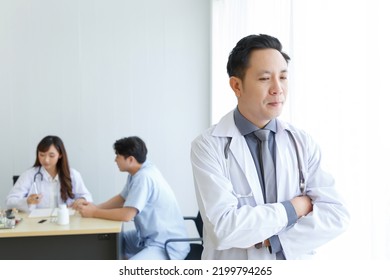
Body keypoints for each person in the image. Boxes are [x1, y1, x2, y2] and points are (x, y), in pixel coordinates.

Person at [190, 34, 350, 260]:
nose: (278, 89)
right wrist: (295, 208)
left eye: (283, 77)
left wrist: (276, 240)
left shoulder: (302, 142)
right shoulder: (208, 146)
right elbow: (223, 228)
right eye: (265, 78)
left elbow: (336, 214)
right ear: (237, 85)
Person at [77, 136, 190, 260]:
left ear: (130, 159)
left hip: (166, 245)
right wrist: (94, 207)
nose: (115, 160)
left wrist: (94, 213)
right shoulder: (139, 171)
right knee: (112, 242)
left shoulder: (144, 177)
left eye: (118, 156)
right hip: (149, 237)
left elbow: (126, 215)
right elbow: (122, 198)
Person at [6, 135, 93, 212]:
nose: (46, 160)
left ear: (60, 155)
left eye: (51, 156)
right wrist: (27, 201)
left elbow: (87, 197)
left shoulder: (73, 174)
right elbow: (9, 201)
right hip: (36, 225)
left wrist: (82, 199)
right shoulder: (29, 175)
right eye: (42, 155)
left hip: (66, 222)